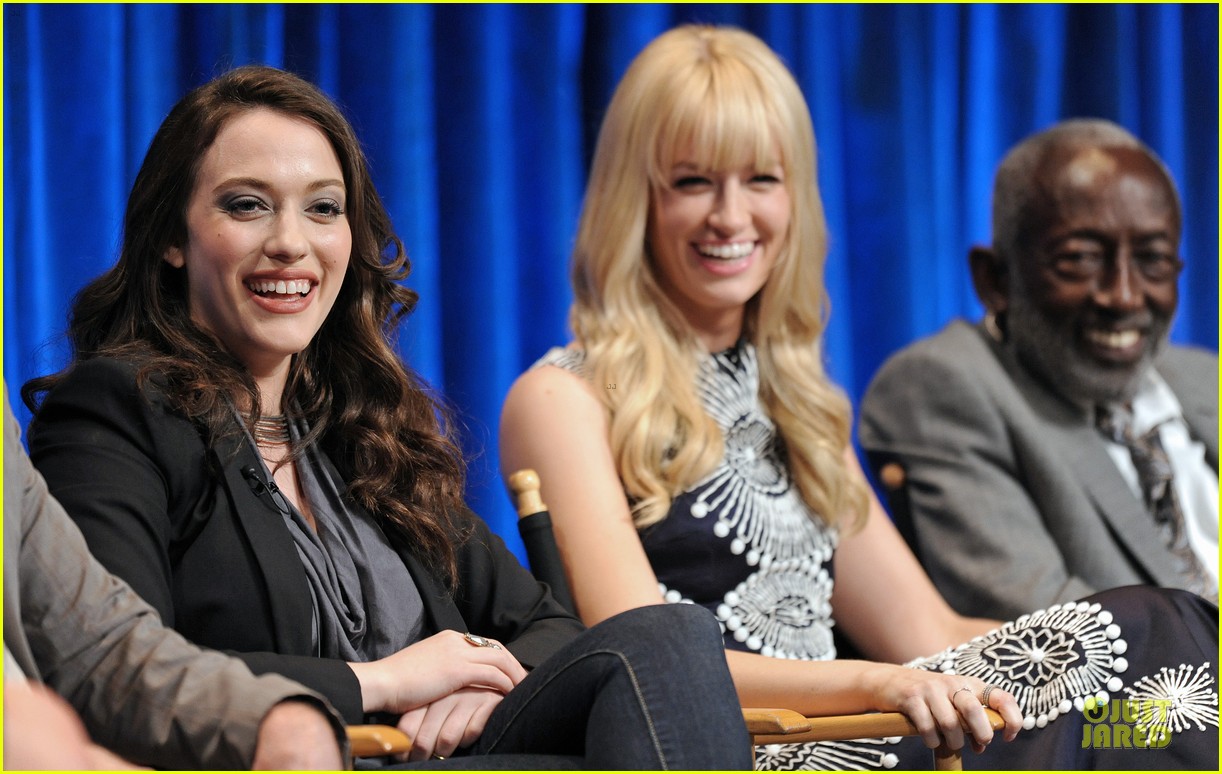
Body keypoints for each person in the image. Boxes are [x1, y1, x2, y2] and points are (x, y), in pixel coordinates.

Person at [499, 25, 1218, 770]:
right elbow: (646, 665)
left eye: (761, 180)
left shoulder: (797, 402)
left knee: (1161, 690)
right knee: (1154, 630)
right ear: (633, 200)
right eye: (692, 182)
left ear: (796, 198)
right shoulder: (563, 398)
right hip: (766, 748)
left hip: (883, 722)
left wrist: (1086, 664)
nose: (731, 217)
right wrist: (879, 682)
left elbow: (930, 631)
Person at [23, 65, 752, 769]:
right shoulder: (116, 411)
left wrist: (472, 683)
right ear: (173, 240)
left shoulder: (359, 430)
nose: (291, 241)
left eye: (323, 208)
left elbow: (549, 628)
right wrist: (388, 680)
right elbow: (118, 670)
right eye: (247, 205)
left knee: (669, 634)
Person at [858, 119, 1219, 620]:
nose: (1124, 295)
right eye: (1081, 259)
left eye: (1152, 260)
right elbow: (1053, 632)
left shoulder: (1205, 378)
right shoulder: (941, 389)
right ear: (995, 280)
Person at [4, 389, 347, 770]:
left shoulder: (373, 414)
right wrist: (382, 685)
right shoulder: (120, 406)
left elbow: (94, 642)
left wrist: (277, 721)